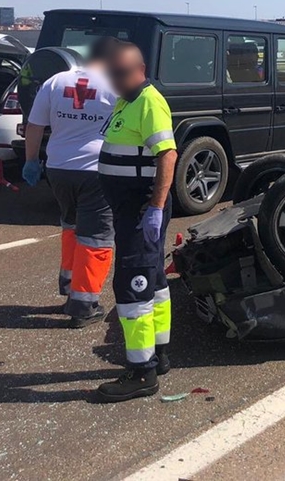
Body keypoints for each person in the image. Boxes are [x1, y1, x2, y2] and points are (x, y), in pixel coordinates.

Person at [95, 42, 177, 402]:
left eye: (124, 73)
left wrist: (155, 208)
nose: (117, 80)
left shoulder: (148, 100)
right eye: (112, 74)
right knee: (155, 281)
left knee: (133, 288)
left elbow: (168, 154)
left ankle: (141, 372)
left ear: (140, 68)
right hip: (131, 209)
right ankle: (159, 355)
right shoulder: (126, 99)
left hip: (142, 211)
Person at [23, 37, 120, 327]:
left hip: (58, 168)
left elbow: (34, 125)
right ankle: (83, 304)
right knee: (97, 236)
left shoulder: (55, 81)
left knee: (72, 226)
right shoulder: (116, 85)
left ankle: (69, 284)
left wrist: (30, 161)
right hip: (97, 170)